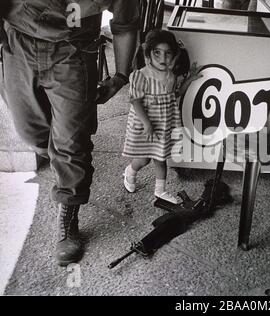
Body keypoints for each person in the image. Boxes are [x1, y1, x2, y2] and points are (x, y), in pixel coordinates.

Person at [0, 0, 140, 266]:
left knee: (72, 143)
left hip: (74, 50)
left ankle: (69, 208)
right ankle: (66, 150)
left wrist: (121, 76)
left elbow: (125, 23)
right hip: (18, 42)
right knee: (30, 132)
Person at [122, 30, 201, 204]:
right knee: (143, 159)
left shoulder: (170, 75)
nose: (162, 58)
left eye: (167, 53)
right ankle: (130, 171)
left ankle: (160, 191)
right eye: (157, 52)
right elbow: (135, 102)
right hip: (145, 124)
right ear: (148, 53)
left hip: (164, 123)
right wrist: (147, 123)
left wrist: (190, 79)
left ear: (173, 55)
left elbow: (176, 94)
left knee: (160, 158)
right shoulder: (141, 75)